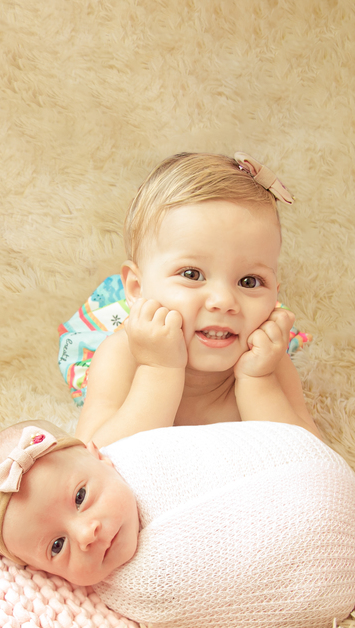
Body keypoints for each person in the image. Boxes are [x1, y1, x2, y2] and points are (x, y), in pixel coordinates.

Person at [0, 418, 355, 628]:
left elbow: (213, 449)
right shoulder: (140, 584)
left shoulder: (143, 455)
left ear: (99, 458)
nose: (87, 532)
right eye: (57, 545)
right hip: (321, 551)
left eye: (81, 497)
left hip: (312, 465)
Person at [58, 152, 321, 448]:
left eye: (250, 281)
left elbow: (315, 459)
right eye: (192, 274)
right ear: (136, 287)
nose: (223, 301)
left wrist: (258, 382)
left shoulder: (268, 364)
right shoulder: (123, 356)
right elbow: (90, 461)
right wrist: (159, 371)